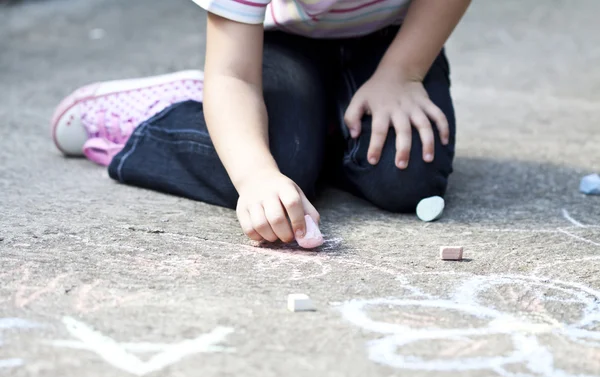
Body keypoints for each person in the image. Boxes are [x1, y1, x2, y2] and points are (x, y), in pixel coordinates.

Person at [50, 0, 471, 245]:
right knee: (279, 171)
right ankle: (160, 119)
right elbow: (233, 75)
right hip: (282, 44)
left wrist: (403, 72)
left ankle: (314, 126)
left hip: (393, 39)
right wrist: (256, 176)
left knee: (404, 177)